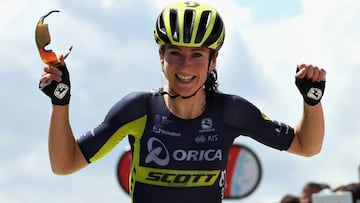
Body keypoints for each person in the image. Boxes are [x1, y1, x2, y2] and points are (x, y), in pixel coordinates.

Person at [38, 2, 327, 203]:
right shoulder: (137, 109)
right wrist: (60, 103)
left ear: (213, 60)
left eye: (197, 55)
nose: (185, 65)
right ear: (160, 56)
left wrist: (312, 100)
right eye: (175, 53)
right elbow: (65, 164)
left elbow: (306, 145)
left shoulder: (231, 112)